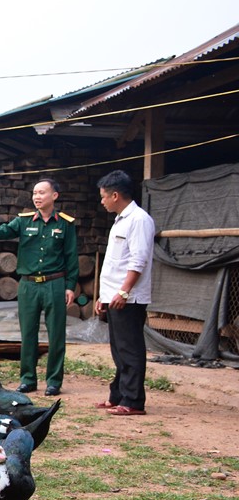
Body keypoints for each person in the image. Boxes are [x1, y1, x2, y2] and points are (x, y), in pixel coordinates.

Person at [0, 178, 78, 396]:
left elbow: (71, 257)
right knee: (28, 333)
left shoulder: (65, 224)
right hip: (28, 285)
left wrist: (70, 286)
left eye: (42, 193)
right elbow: (5, 231)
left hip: (54, 283)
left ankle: (54, 381)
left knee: (56, 333)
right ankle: (28, 379)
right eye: (35, 193)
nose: (37, 197)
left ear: (54, 196)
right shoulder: (24, 221)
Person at [95, 170, 155, 416]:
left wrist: (124, 291)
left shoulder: (139, 220)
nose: (102, 201)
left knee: (130, 348)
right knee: (119, 349)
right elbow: (114, 264)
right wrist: (103, 295)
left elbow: (138, 261)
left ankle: (133, 401)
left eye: (104, 196)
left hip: (128, 298)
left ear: (116, 195)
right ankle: (118, 395)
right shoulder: (121, 219)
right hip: (114, 296)